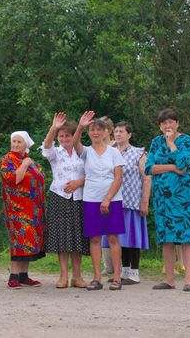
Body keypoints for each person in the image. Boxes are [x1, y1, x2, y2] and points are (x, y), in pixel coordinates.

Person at [145, 108, 190, 292]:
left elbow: (183, 167)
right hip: (162, 198)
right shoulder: (155, 142)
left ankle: (189, 280)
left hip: (182, 197)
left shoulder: (186, 140)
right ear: (160, 126)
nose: (168, 125)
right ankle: (169, 279)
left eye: (171, 122)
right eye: (164, 123)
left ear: (177, 123)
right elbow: (149, 168)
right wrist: (172, 167)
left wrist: (171, 144)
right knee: (166, 237)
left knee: (186, 237)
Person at [72, 111, 125, 291]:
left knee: (113, 237)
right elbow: (73, 143)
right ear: (89, 132)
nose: (96, 132)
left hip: (113, 200)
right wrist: (80, 125)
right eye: (92, 129)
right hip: (91, 199)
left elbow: (118, 178)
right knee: (94, 238)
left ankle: (117, 277)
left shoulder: (114, 152)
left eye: (99, 130)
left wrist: (108, 199)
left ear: (105, 132)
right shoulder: (86, 152)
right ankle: (96, 277)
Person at [42, 113, 89, 289]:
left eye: (67, 135)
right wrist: (53, 128)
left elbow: (93, 174)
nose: (64, 139)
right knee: (62, 238)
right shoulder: (56, 153)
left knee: (77, 238)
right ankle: (63, 276)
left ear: (73, 136)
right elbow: (47, 146)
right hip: (59, 198)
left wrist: (79, 182)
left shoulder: (83, 152)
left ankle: (77, 276)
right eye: (61, 136)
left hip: (79, 198)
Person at [0, 131, 45, 289]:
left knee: (28, 241)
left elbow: (40, 178)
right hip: (16, 209)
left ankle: (24, 276)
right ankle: (13, 276)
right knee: (18, 240)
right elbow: (14, 179)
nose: (16, 144)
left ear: (26, 144)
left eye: (19, 142)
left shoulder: (31, 161)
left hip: (33, 209)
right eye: (14, 141)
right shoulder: (8, 160)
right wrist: (25, 164)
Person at [110, 121, 151, 285]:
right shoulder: (110, 152)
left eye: (121, 131)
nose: (118, 134)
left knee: (132, 238)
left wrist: (145, 202)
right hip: (114, 201)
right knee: (119, 238)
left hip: (132, 201)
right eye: (116, 131)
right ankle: (123, 272)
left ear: (129, 134)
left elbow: (147, 178)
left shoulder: (139, 153)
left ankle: (134, 273)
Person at [100, 116, 116, 276]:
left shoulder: (116, 147)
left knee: (114, 230)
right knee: (102, 230)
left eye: (103, 128)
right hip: (98, 192)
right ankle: (107, 264)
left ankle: (119, 264)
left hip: (115, 192)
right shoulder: (95, 148)